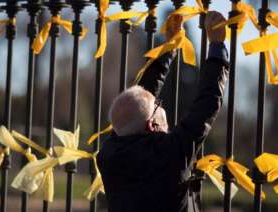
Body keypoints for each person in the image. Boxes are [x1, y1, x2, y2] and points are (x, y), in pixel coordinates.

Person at [97, 11, 229, 212]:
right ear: (152, 125)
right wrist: (218, 46)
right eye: (157, 105)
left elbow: (138, 103)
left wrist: (169, 48)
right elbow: (207, 103)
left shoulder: (107, 155)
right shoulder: (170, 153)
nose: (160, 103)